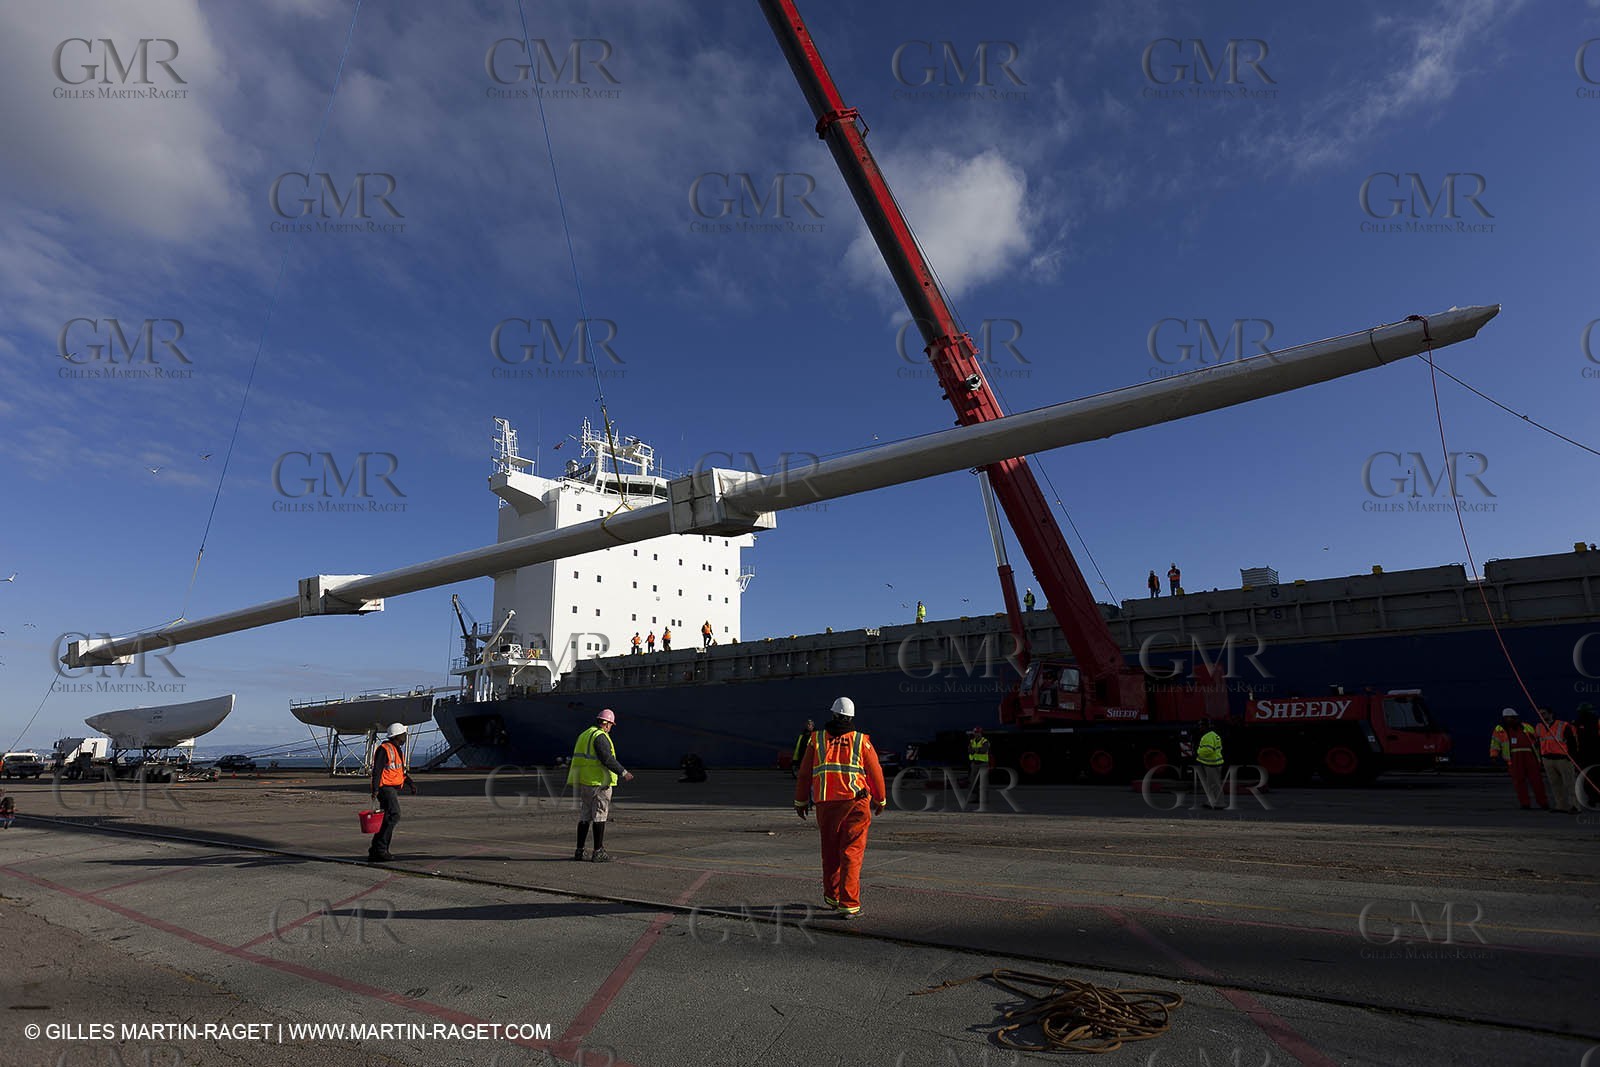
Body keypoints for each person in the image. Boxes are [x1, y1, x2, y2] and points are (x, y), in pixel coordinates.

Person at [794, 697, 886, 919]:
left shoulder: (816, 740)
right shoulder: (861, 741)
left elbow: (805, 773)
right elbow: (875, 772)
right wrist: (880, 799)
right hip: (856, 803)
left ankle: (832, 897)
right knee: (851, 853)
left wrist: (801, 801)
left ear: (833, 715)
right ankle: (849, 904)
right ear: (852, 717)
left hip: (826, 804)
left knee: (830, 851)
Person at [567, 708, 633, 862]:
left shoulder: (584, 735)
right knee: (600, 816)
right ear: (607, 724)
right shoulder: (600, 737)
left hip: (585, 781)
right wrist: (624, 772)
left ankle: (579, 851)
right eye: (611, 725)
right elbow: (607, 759)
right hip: (599, 783)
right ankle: (598, 851)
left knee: (585, 815)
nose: (610, 728)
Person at [368, 723, 417, 863]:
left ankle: (375, 850)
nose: (405, 737)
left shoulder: (396, 750)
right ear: (397, 736)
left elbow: (400, 772)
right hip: (385, 788)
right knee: (394, 815)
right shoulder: (385, 749)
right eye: (403, 734)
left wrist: (410, 784)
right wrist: (375, 789)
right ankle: (381, 850)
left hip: (391, 788)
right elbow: (377, 770)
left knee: (387, 818)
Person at [1489, 708, 1549, 810]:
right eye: (1507, 718)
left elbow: (1536, 742)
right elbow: (1495, 743)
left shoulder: (1527, 727)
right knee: (1519, 782)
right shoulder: (1500, 729)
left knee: (1537, 781)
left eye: (1512, 718)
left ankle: (1543, 803)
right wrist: (1494, 755)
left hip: (1529, 756)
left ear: (1516, 717)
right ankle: (1525, 803)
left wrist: (1540, 756)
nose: (1510, 720)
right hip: (1514, 758)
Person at [1535, 706, 1579, 813]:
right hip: (1547, 759)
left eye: (1544, 713)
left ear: (1551, 714)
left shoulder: (1562, 725)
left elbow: (1572, 742)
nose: (1542, 715)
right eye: (1540, 713)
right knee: (1555, 784)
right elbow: (1538, 742)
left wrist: (1572, 757)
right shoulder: (1539, 726)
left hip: (1563, 758)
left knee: (1569, 783)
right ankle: (1561, 805)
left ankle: (1575, 806)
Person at [1195, 718, 1224, 808]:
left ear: (1205, 726)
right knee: (1211, 784)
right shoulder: (1213, 735)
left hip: (1212, 764)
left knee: (1214, 784)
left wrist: (1198, 751)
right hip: (1214, 763)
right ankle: (1212, 801)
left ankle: (1219, 803)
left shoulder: (1208, 736)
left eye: (1201, 726)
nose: (1199, 728)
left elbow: (1208, 750)